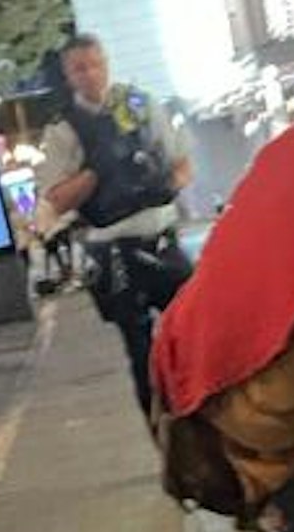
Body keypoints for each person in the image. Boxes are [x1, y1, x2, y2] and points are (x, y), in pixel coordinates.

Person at [36, 33, 192, 416]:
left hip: (161, 236)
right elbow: (56, 198)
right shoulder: (62, 130)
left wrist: (163, 182)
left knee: (194, 333)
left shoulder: (138, 104)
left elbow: (181, 162)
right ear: (68, 74)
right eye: (80, 68)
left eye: (96, 64)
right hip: (114, 249)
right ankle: (163, 433)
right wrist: (96, 170)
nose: (91, 74)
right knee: (141, 354)